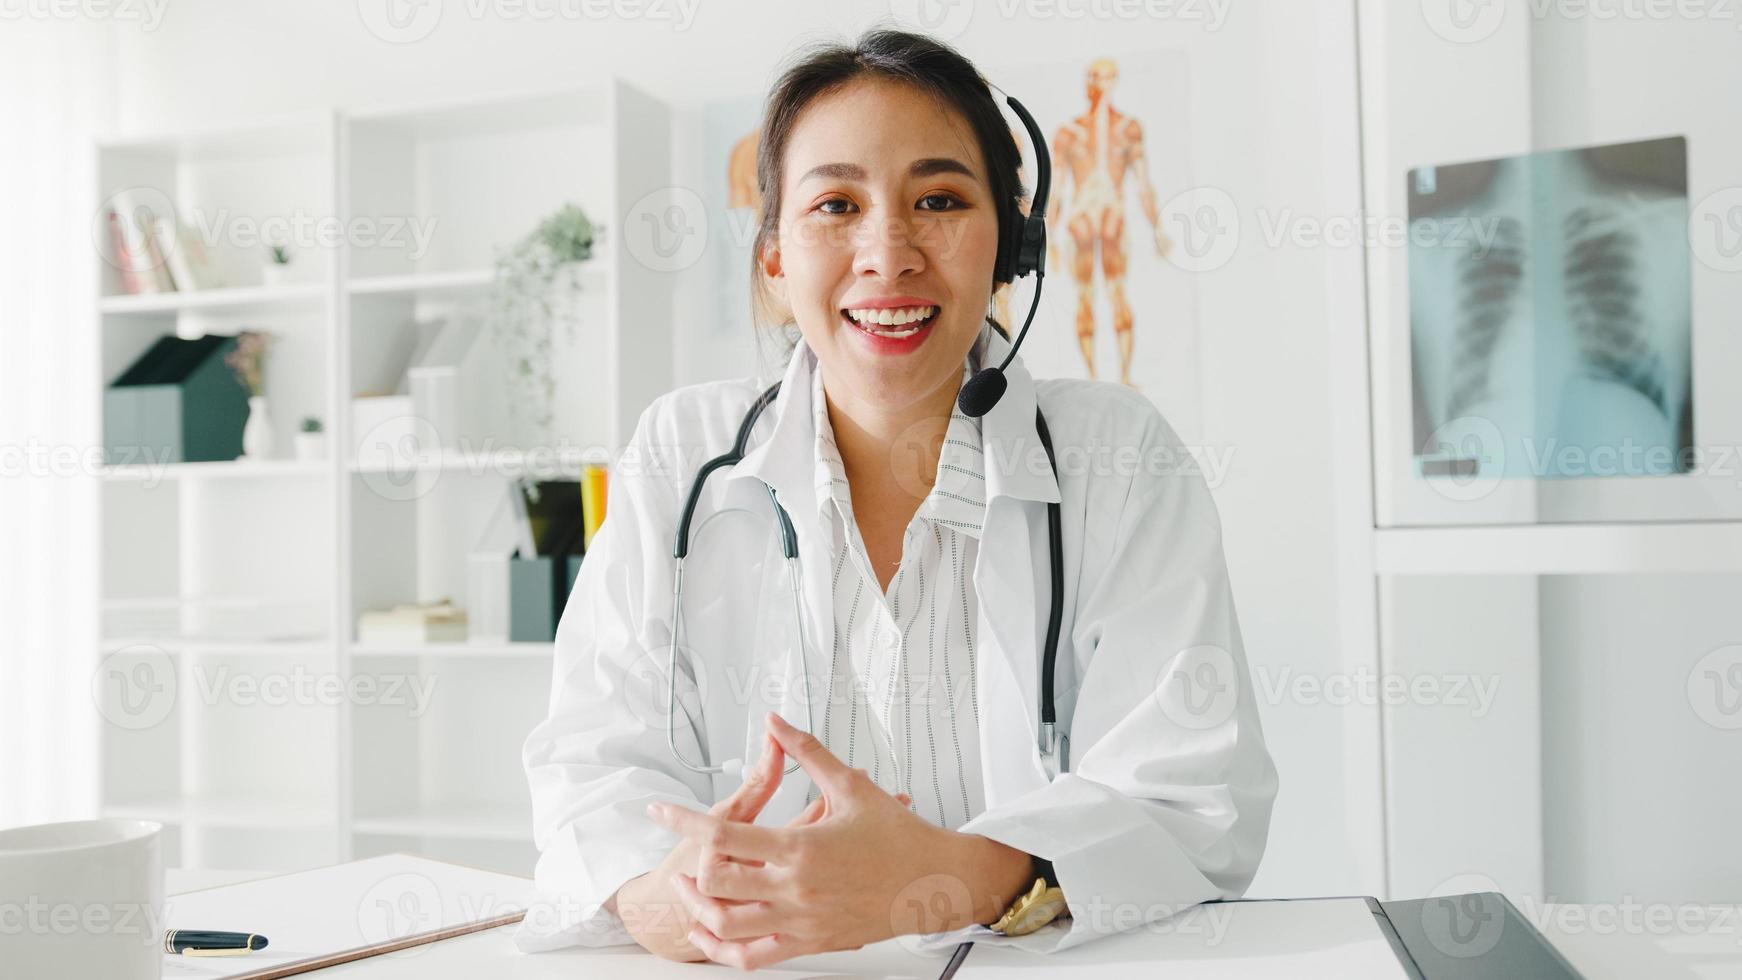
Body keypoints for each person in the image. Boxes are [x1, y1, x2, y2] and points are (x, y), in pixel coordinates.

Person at [517, 27, 1278, 971]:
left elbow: (1193, 800)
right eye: (836, 203)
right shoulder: (680, 456)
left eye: (940, 200)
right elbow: (590, 763)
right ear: (774, 259)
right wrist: (657, 898)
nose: (889, 252)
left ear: (1012, 250)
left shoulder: (1118, 458)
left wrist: (947, 878)